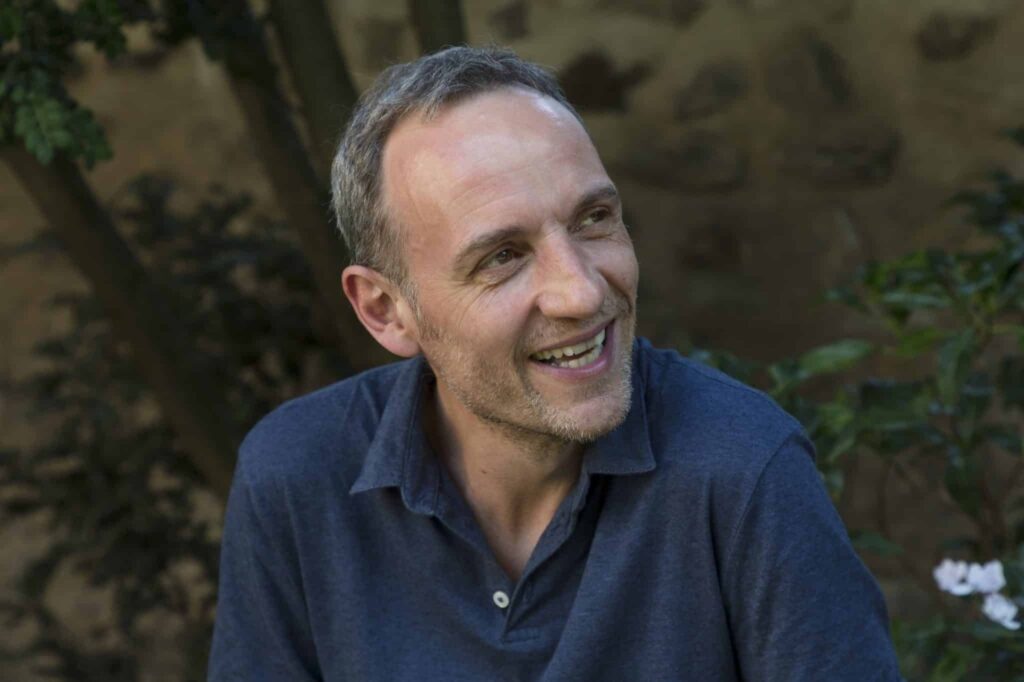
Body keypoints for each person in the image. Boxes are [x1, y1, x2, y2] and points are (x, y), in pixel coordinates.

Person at [208, 46, 902, 681]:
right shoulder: (299, 476)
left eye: (593, 219)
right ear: (387, 310)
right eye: (503, 257)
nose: (582, 292)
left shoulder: (742, 467)